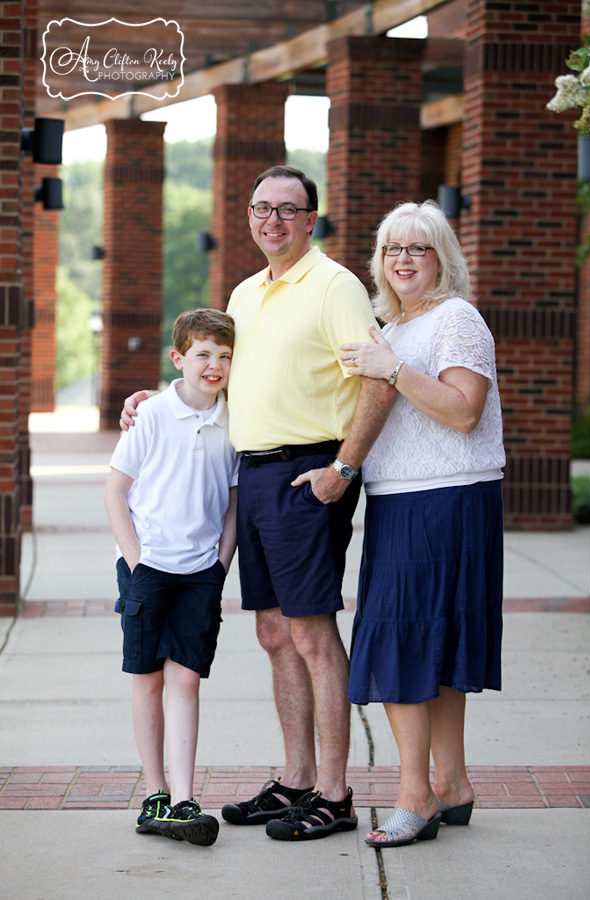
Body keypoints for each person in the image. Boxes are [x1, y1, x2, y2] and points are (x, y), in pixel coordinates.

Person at [120, 165, 395, 842]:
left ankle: (334, 793)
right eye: (261, 209)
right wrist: (157, 398)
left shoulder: (334, 286)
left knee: (309, 633)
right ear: (249, 217)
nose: (272, 220)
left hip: (309, 473)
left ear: (312, 219)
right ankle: (297, 780)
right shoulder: (245, 293)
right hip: (255, 477)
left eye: (288, 210)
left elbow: (380, 381)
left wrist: (342, 468)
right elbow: (217, 373)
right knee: (273, 633)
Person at [339, 199, 505, 848]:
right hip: (402, 498)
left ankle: (416, 797)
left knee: (399, 642)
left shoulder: (456, 319)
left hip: (446, 500)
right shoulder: (392, 326)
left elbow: (465, 412)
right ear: (380, 262)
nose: (403, 260)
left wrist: (394, 371)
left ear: (444, 259)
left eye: (418, 248)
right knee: (429, 645)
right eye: (392, 249)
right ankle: (453, 784)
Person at [105, 308, 239, 846]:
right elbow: (116, 492)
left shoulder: (234, 419)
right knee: (149, 678)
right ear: (179, 358)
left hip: (201, 571)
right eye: (204, 354)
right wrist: (136, 563)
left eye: (225, 356)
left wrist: (220, 564)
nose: (215, 365)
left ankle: (185, 798)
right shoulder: (152, 414)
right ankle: (155, 794)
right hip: (148, 568)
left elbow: (232, 503)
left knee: (186, 680)